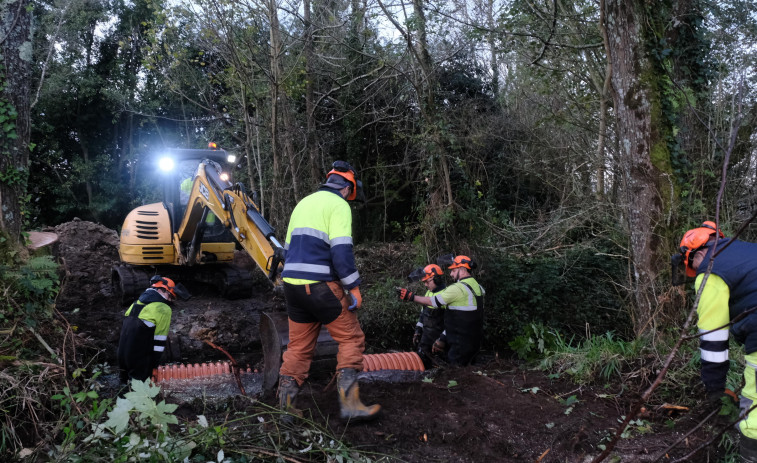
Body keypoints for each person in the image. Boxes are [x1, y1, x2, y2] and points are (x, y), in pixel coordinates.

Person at [277, 160, 380, 421]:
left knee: (298, 348)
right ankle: (350, 405)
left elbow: (287, 251)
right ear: (348, 188)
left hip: (292, 287)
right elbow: (341, 251)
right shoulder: (339, 205)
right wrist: (354, 288)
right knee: (351, 338)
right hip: (320, 286)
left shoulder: (303, 203)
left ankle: (285, 409)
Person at [674, 221, 757, 461]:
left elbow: (713, 341)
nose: (696, 271)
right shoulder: (749, 249)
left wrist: (716, 390)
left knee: (754, 410)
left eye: (693, 266)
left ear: (699, 254)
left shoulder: (711, 270)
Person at [397, 255, 484, 366]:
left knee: (456, 373)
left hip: (459, 341)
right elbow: (424, 314)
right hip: (474, 340)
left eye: (453, 270)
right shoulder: (478, 287)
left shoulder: (456, 289)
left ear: (462, 269)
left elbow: (435, 304)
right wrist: (418, 330)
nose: (451, 274)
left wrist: (411, 297)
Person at [117, 276, 190, 384]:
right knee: (139, 390)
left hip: (122, 353)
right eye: (169, 296)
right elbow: (159, 339)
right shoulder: (163, 308)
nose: (169, 300)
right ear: (160, 290)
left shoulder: (136, 303)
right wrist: (154, 363)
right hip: (139, 356)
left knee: (123, 385)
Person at [410, 264, 447, 367]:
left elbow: (451, 321)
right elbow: (423, 314)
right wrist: (418, 330)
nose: (426, 285)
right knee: (422, 360)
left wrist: (442, 339)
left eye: (427, 281)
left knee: (441, 365)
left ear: (437, 279)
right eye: (424, 282)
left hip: (439, 339)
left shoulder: (446, 294)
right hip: (426, 337)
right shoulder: (428, 293)